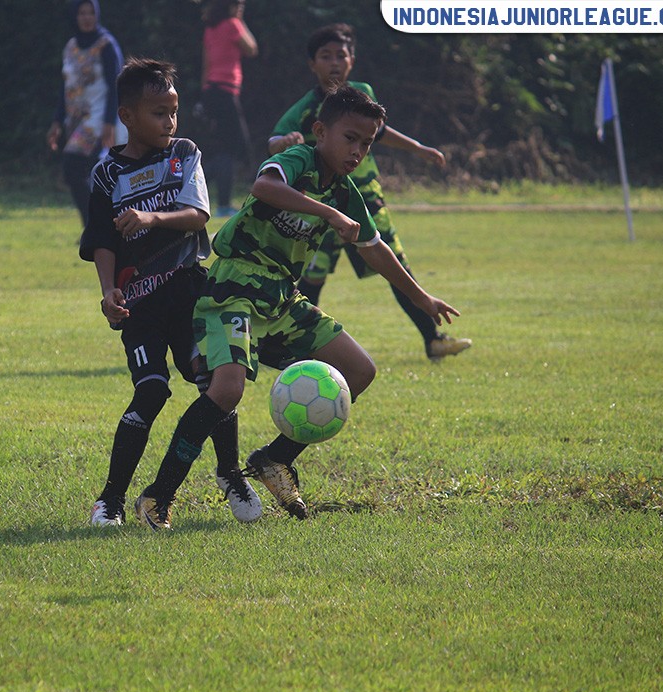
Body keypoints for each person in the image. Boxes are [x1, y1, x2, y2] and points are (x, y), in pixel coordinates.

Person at [134, 86, 460, 529]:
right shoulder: (299, 160)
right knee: (227, 390)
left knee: (359, 370)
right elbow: (264, 186)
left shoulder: (343, 190)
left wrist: (422, 298)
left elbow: (375, 248)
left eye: (367, 144)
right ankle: (159, 495)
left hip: (281, 298)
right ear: (320, 131)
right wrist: (327, 214)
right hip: (234, 288)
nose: (358, 151)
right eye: (350, 138)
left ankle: (275, 459)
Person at [79, 57, 263, 527]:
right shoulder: (106, 174)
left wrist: (151, 217)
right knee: (151, 392)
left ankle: (229, 473)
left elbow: (198, 214)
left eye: (174, 111)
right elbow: (101, 240)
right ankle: (110, 499)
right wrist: (108, 291)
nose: (170, 122)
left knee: (213, 383)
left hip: (189, 293)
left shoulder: (183, 153)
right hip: (140, 304)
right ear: (127, 115)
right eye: (159, 113)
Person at [268, 23, 471, 362]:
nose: (334, 62)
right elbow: (275, 140)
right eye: (326, 56)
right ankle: (291, 346)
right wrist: (283, 142)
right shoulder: (307, 108)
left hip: (368, 201)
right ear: (312, 64)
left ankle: (433, 339)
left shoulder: (362, 92)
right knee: (312, 278)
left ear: (352, 60)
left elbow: (381, 131)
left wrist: (418, 148)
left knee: (395, 266)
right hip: (325, 204)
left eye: (341, 55)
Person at [47, 0, 126, 226]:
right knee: (85, 174)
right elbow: (66, 87)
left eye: (91, 13)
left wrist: (110, 122)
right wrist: (57, 121)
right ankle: (98, 226)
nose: (87, 18)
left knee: (72, 167)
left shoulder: (106, 45)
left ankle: (96, 225)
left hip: (98, 119)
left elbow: (116, 85)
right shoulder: (71, 47)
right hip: (75, 121)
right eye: (82, 13)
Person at [197, 0, 257, 217]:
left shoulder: (210, 28)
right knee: (233, 148)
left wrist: (203, 98)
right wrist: (241, 21)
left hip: (211, 91)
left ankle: (198, 183)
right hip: (225, 92)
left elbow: (206, 65)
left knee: (225, 147)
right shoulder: (233, 24)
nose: (241, 7)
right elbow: (251, 49)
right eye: (238, 4)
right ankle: (221, 203)